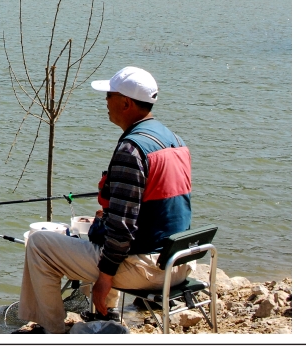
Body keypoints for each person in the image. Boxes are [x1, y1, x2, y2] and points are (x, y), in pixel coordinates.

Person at [15, 66, 192, 334]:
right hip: (179, 261)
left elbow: (123, 229)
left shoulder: (131, 150)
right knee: (98, 232)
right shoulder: (176, 141)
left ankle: (53, 331)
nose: (105, 102)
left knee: (39, 243)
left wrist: (104, 279)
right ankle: (103, 314)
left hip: (147, 269)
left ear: (125, 103)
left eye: (109, 95)